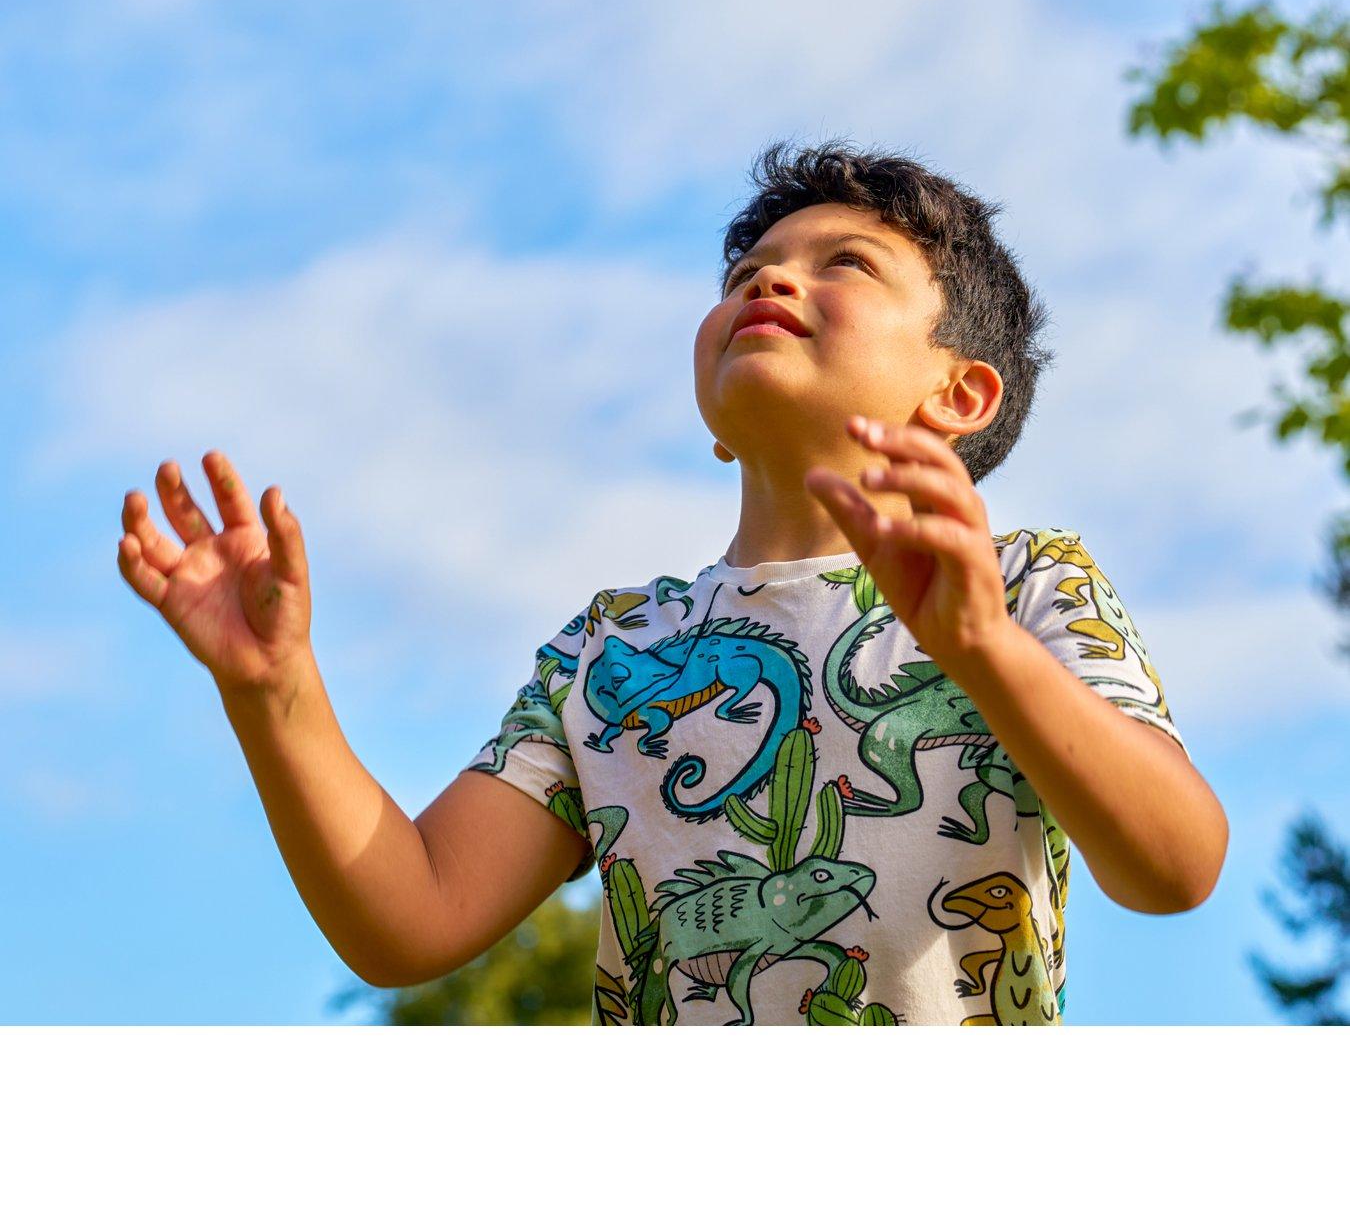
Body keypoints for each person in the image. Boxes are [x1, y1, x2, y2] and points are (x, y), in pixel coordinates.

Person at [116, 137, 1228, 1024]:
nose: (772, 278)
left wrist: (982, 648)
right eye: (746, 273)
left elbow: (1175, 865)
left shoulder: (1026, 585)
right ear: (715, 422)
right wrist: (275, 692)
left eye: (845, 263)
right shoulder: (612, 651)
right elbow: (410, 918)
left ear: (960, 395)